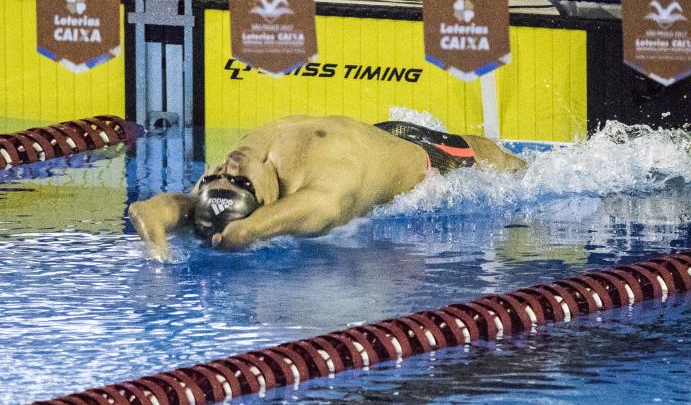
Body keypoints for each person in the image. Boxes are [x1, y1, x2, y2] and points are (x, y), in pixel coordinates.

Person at [129, 115, 526, 260]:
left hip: (380, 134)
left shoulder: (248, 162)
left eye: (213, 176)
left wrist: (154, 223)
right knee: (514, 171)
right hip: (434, 163)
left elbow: (173, 206)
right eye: (237, 179)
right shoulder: (327, 187)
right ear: (265, 201)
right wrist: (248, 231)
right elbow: (322, 207)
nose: (227, 167)